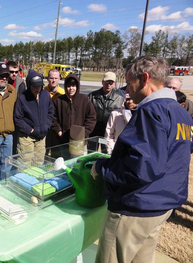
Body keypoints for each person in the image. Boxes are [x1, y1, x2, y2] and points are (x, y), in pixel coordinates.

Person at [91, 56, 193, 263]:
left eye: (129, 82)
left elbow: (139, 168)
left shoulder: (150, 111)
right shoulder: (181, 114)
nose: (126, 90)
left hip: (135, 205)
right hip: (162, 203)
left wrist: (100, 167)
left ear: (144, 78)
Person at [14, 69, 53, 164]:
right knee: (25, 166)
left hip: (41, 137)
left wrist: (46, 126)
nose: (37, 89)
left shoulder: (45, 95)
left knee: (38, 165)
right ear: (29, 85)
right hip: (27, 138)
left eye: (39, 86)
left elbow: (50, 112)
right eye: (35, 87)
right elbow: (18, 118)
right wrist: (30, 130)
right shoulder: (22, 98)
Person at [51, 73, 96, 145]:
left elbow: (91, 118)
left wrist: (84, 133)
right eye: (68, 86)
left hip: (80, 140)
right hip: (62, 139)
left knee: (78, 156)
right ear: (65, 87)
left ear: (77, 86)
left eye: (73, 86)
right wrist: (58, 130)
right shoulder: (59, 100)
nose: (71, 88)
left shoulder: (84, 100)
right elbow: (53, 117)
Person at [88, 72, 124, 138]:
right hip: (94, 129)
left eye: (111, 83)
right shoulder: (92, 96)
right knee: (92, 148)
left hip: (110, 131)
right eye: (107, 82)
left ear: (114, 84)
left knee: (107, 148)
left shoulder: (120, 98)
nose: (108, 85)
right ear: (102, 82)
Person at [44, 68, 65, 150]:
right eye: (51, 78)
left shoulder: (63, 93)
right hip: (46, 127)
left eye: (56, 78)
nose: (53, 80)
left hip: (57, 127)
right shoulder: (42, 92)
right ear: (47, 79)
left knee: (57, 152)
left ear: (59, 79)